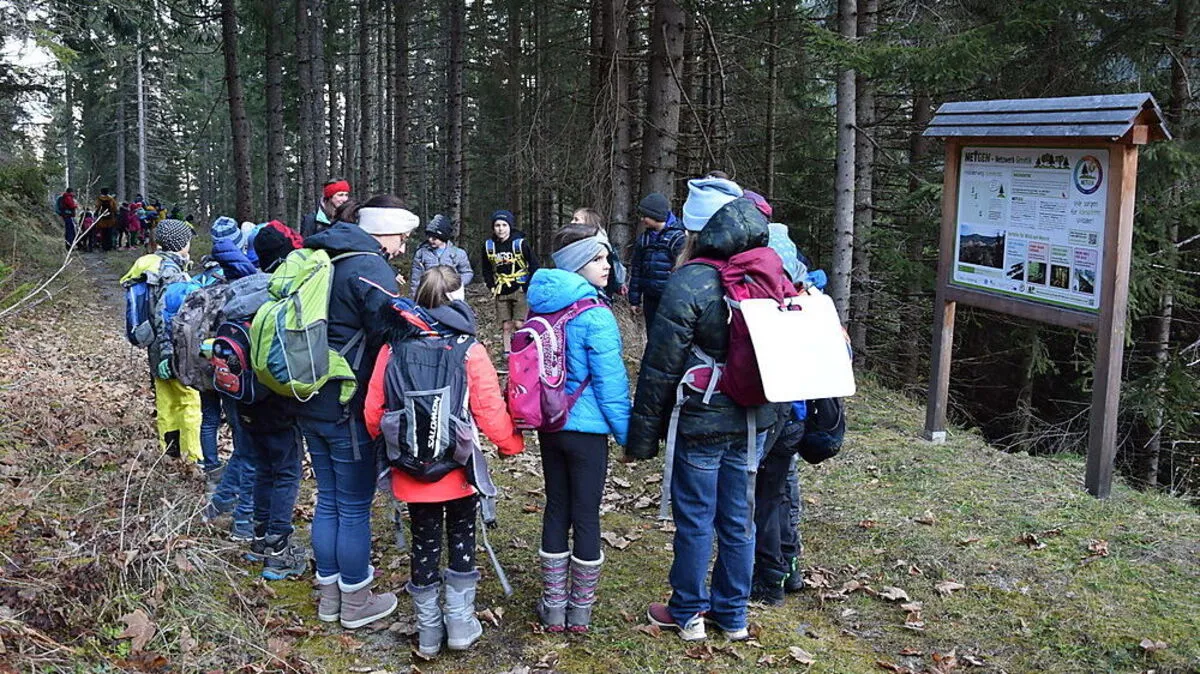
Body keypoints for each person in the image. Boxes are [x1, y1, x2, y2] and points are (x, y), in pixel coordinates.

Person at [626, 176, 774, 642]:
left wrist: (642, 437)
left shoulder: (690, 280)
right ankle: (733, 616)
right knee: (738, 518)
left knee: (695, 518)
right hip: (756, 417)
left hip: (704, 416)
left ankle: (687, 612)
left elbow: (661, 366)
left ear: (693, 228)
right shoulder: (768, 267)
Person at [365, 266, 525, 656]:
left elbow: (373, 411)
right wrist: (510, 444)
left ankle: (428, 632)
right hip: (459, 466)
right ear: (458, 300)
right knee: (461, 537)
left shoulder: (391, 347)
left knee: (423, 544)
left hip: (410, 469)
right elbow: (488, 409)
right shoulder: (468, 349)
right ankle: (459, 623)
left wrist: (391, 445)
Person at [297, 194, 418, 629]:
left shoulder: (322, 255)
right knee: (352, 504)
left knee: (327, 498)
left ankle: (330, 598)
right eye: (402, 238)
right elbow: (397, 330)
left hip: (307, 391)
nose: (402, 247)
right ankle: (355, 602)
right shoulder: (368, 265)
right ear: (385, 230)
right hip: (348, 398)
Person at [527, 224, 630, 634]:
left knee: (556, 507)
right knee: (586, 515)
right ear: (577, 264)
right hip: (588, 432)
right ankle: (580, 612)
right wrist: (627, 436)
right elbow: (611, 385)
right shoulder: (596, 315)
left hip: (551, 424)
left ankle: (553, 608)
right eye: (598, 259)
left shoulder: (541, 306)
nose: (608, 266)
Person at [119, 219, 203, 463]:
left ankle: (169, 452)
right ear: (180, 244)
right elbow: (166, 315)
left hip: (154, 345)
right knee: (188, 400)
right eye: (187, 241)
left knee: (166, 400)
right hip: (173, 347)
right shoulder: (172, 273)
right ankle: (192, 457)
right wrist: (170, 351)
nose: (189, 246)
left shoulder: (150, 267)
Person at [480, 210, 539, 354]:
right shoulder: (489, 246)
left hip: (519, 288)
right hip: (501, 289)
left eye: (504, 225)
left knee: (519, 323)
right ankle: (507, 351)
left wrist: (528, 284)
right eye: (497, 225)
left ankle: (524, 348)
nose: (501, 229)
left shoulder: (520, 244)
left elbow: (533, 264)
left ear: (510, 226)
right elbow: (486, 268)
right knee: (506, 325)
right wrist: (491, 285)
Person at [629, 193, 686, 332]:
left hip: (670, 300)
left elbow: (684, 271)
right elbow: (637, 269)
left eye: (645, 216)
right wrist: (634, 300)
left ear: (656, 215)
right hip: (650, 299)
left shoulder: (678, 238)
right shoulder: (644, 239)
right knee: (652, 336)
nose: (642, 219)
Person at [410, 215, 473, 298]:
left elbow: (467, 272)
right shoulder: (421, 253)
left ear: (443, 237)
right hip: (429, 295)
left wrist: (455, 284)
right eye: (429, 236)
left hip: (451, 295)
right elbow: (416, 279)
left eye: (434, 238)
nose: (430, 240)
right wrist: (414, 299)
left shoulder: (458, 253)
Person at [568, 208, 627, 298]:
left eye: (576, 219)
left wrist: (609, 294)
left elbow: (610, 272)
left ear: (588, 222)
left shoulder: (600, 245)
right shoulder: (580, 242)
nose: (572, 222)